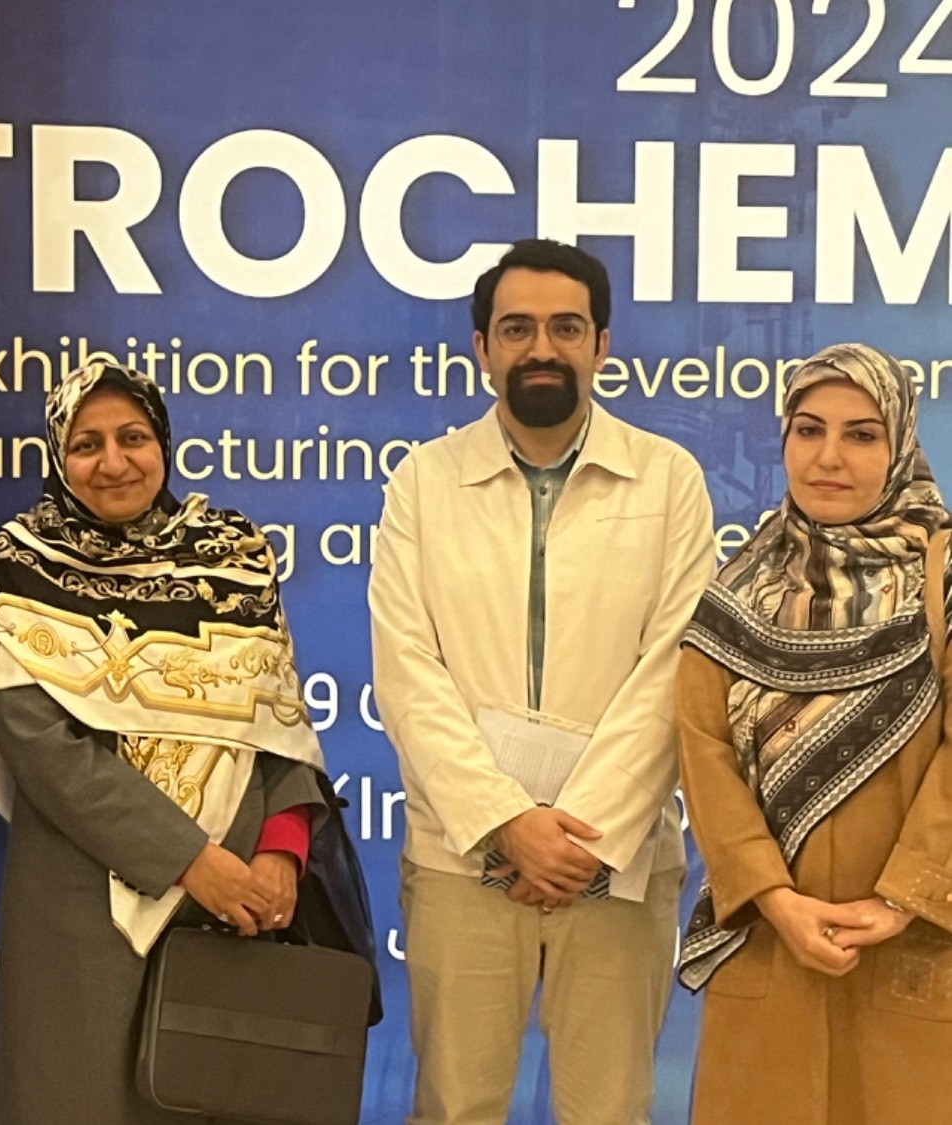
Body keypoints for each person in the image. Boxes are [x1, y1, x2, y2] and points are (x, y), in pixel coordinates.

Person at [0, 359, 376, 1124]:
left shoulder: (236, 557)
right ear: (58, 456)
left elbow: (280, 722)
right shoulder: (17, 566)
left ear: (164, 443)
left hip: (240, 912)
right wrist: (191, 861)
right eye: (87, 444)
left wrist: (282, 850)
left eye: (133, 437)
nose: (114, 461)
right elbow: (44, 749)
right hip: (81, 915)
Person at [369, 238, 716, 1124]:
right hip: (464, 857)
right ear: (481, 348)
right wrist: (507, 823)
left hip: (617, 858)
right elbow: (409, 673)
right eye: (516, 328)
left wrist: (581, 835)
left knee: (610, 1109)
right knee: (455, 1107)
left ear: (602, 345)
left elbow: (674, 667)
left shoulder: (670, 479)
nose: (541, 348)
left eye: (566, 327)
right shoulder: (423, 483)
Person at [676, 343, 952, 1124]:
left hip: (913, 946)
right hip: (770, 942)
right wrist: (774, 897)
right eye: (808, 429)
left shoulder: (942, 574)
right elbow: (703, 748)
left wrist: (902, 898)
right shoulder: (741, 585)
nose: (829, 456)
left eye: (861, 434)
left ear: (900, 444)